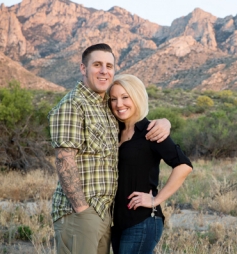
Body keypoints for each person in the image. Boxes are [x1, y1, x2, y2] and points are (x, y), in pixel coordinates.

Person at [49, 43, 171, 254]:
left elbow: (133, 115)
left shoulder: (106, 105)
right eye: (97, 65)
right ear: (83, 68)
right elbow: (64, 160)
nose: (104, 71)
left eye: (109, 66)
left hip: (106, 214)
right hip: (80, 213)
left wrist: (165, 122)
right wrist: (82, 211)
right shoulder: (73, 105)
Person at [108, 74, 193, 254]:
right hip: (118, 223)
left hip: (142, 221)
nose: (119, 104)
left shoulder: (151, 131)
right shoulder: (113, 131)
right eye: (113, 99)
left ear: (137, 96)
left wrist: (156, 199)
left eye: (125, 97)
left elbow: (183, 165)